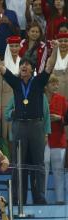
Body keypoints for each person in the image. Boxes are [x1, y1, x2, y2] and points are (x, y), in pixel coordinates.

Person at [0, 39, 59, 205]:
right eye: (21, 64)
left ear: (32, 69)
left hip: (36, 127)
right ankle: (17, 198)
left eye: (27, 65)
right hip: (19, 127)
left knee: (38, 164)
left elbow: (50, 66)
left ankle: (39, 197)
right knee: (18, 165)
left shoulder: (38, 82)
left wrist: (56, 48)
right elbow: (2, 69)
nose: (23, 66)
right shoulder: (15, 83)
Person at [44, 74, 67, 204]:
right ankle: (42, 199)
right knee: (44, 170)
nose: (56, 86)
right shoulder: (40, 99)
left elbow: (67, 118)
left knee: (58, 170)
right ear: (46, 86)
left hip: (58, 139)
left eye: (57, 83)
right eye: (53, 83)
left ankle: (60, 200)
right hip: (43, 139)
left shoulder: (62, 99)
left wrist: (60, 118)